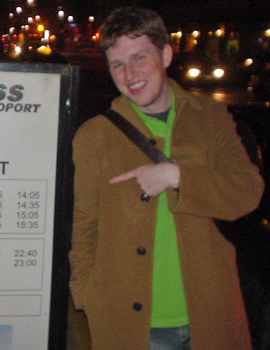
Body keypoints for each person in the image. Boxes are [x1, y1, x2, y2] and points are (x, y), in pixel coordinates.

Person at [69, 6, 264, 350]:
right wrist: (85, 294)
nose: (130, 74)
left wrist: (176, 176)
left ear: (165, 53)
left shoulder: (210, 118)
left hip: (210, 315)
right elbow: (84, 227)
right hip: (130, 325)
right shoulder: (94, 136)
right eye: (117, 64)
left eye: (139, 58)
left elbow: (248, 191)